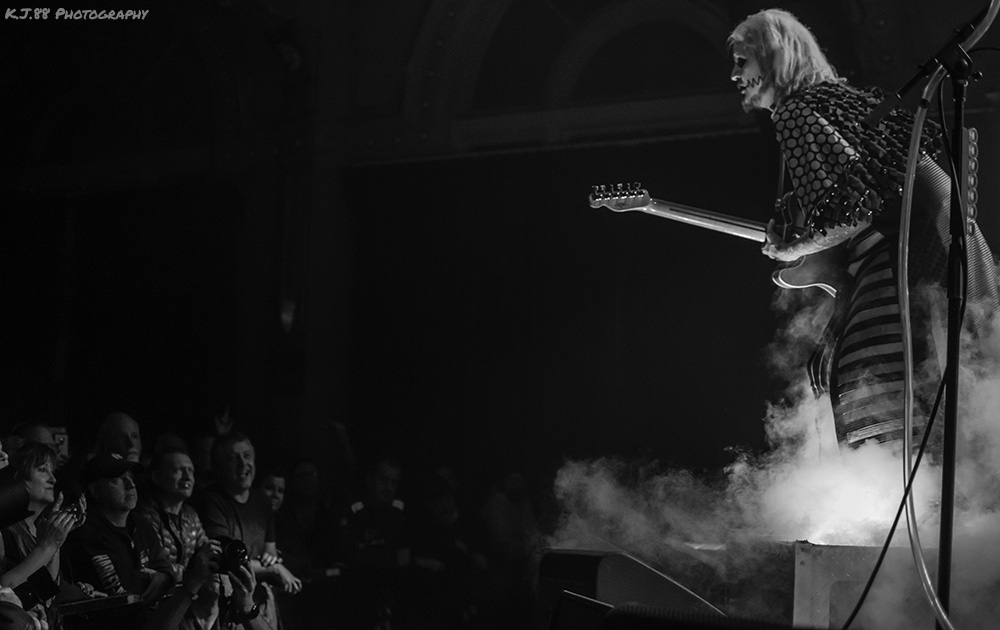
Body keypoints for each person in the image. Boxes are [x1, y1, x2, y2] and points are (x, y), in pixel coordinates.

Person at [728, 9, 1000, 450]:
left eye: (743, 62)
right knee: (935, 417)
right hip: (944, 263)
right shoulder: (848, 102)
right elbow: (882, 189)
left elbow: (853, 213)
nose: (736, 74)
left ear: (772, 58)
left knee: (877, 415)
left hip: (894, 277)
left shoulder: (795, 114)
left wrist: (790, 249)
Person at [192, 432, 301, 629]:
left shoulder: (262, 500)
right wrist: (273, 569)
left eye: (247, 456)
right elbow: (225, 561)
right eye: (233, 458)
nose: (243, 464)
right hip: (224, 605)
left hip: (257, 601)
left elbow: (270, 553)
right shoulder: (211, 501)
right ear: (217, 466)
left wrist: (269, 564)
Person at [61, 452, 175, 616]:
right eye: (117, 480)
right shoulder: (84, 531)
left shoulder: (141, 523)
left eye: (131, 478)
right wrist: (154, 581)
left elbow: (165, 567)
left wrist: (164, 578)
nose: (130, 485)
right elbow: (118, 590)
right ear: (94, 490)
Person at [0, 440, 87, 628]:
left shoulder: (38, 528)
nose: (52, 479)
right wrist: (49, 545)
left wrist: (57, 540)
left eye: (52, 471)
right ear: (17, 476)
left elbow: (47, 595)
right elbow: (4, 589)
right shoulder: (7, 529)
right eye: (42, 470)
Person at [135, 448, 207, 581]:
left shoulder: (190, 514)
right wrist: (197, 573)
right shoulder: (145, 514)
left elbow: (206, 551)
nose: (187, 477)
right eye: (177, 470)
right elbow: (158, 565)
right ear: (156, 477)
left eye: (190, 471)